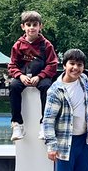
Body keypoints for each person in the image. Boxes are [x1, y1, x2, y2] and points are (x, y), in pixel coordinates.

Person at [7, 10, 59, 142]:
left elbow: (52, 64)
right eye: (28, 24)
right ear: (23, 27)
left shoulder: (46, 45)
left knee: (47, 87)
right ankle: (17, 124)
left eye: (34, 24)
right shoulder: (17, 45)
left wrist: (40, 76)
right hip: (23, 77)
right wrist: (20, 76)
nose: (31, 28)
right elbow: (12, 65)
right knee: (13, 86)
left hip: (41, 77)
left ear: (40, 26)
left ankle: (45, 124)